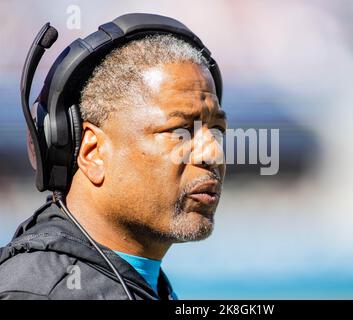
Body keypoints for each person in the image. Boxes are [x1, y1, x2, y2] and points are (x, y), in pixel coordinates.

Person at [0, 16, 226, 300]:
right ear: (92, 152)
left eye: (216, 130)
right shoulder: (41, 294)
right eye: (180, 131)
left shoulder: (129, 283)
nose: (213, 153)